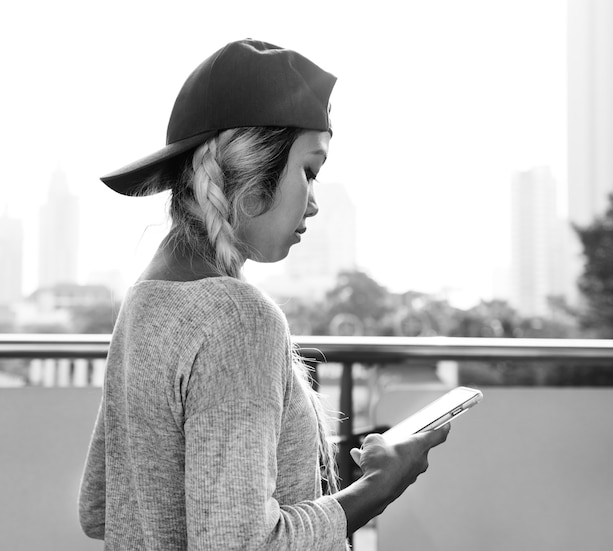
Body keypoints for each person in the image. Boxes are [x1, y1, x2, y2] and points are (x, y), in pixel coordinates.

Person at [78, 38, 450, 550]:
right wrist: (382, 486)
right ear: (252, 169)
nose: (314, 203)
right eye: (310, 171)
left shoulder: (146, 297)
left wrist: (297, 459)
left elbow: (99, 509)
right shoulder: (238, 319)